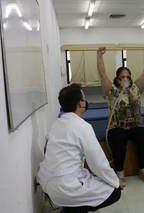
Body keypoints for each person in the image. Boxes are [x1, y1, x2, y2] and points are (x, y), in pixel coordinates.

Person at [37, 84, 122, 213]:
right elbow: (98, 163)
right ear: (79, 104)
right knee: (115, 192)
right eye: (84, 99)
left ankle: (71, 205)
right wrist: (116, 181)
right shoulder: (83, 127)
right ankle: (72, 209)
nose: (85, 102)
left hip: (47, 183)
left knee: (91, 179)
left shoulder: (56, 123)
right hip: (65, 187)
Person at [97, 46, 144, 187]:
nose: (125, 79)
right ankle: (120, 172)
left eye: (127, 76)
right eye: (122, 77)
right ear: (117, 79)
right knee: (118, 138)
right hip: (116, 126)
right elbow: (102, 74)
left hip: (135, 126)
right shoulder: (111, 91)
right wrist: (99, 56)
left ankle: (143, 168)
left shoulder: (136, 88)